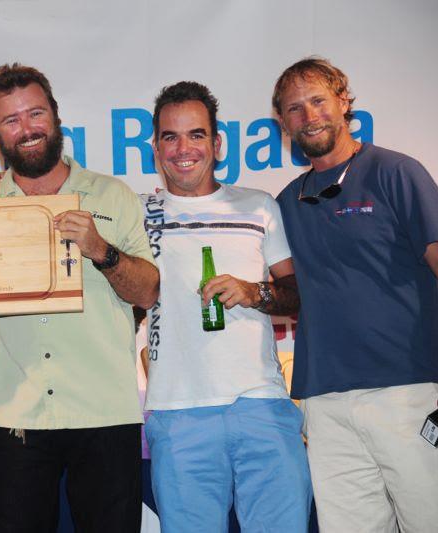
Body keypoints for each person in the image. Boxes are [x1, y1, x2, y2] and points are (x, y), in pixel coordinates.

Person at [273, 57, 438, 532]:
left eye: (318, 101)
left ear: (344, 102)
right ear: (282, 123)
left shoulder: (396, 172)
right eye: (294, 109)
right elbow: (287, 295)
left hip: (408, 393)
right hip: (324, 401)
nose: (308, 116)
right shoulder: (287, 202)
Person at [0, 63, 159, 532]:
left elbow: (150, 290)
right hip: (17, 415)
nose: (26, 129)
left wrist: (102, 251)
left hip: (104, 411)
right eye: (11, 121)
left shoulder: (113, 196)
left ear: (56, 116)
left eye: (35, 114)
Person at [140, 81, 311, 532]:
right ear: (155, 146)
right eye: (170, 137)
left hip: (262, 405)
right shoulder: (137, 212)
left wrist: (257, 293)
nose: (183, 149)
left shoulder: (257, 206)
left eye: (196, 135)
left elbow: (298, 294)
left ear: (216, 143)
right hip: (178, 413)